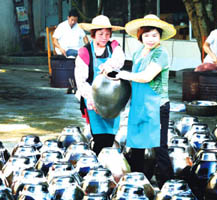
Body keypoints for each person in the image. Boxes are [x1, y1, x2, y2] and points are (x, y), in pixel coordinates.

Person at [117, 14, 176, 188]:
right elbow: (133, 78)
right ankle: (137, 184)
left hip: (157, 106)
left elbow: (146, 76)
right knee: (136, 145)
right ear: (140, 36)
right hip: (139, 105)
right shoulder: (137, 53)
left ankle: (168, 187)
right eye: (146, 35)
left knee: (159, 148)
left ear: (160, 36)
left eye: (154, 35)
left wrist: (124, 74)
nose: (150, 39)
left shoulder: (161, 53)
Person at [74, 15, 125, 155]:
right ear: (93, 34)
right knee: (99, 136)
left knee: (110, 135)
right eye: (101, 34)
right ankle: (97, 164)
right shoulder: (85, 52)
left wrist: (108, 66)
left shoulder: (113, 46)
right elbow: (81, 81)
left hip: (112, 98)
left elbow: (120, 59)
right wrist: (93, 100)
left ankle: (106, 162)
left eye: (107, 34)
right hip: (92, 98)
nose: (104, 37)